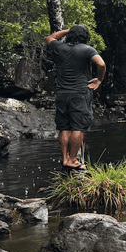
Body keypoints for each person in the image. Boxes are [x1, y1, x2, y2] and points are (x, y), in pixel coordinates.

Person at [46, 25, 106, 171]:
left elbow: (50, 38)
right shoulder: (87, 49)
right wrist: (99, 80)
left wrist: (68, 31)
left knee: (64, 127)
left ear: (70, 36)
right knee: (78, 126)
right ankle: (73, 160)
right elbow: (101, 64)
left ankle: (65, 159)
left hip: (61, 94)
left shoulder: (60, 47)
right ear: (85, 37)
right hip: (79, 94)